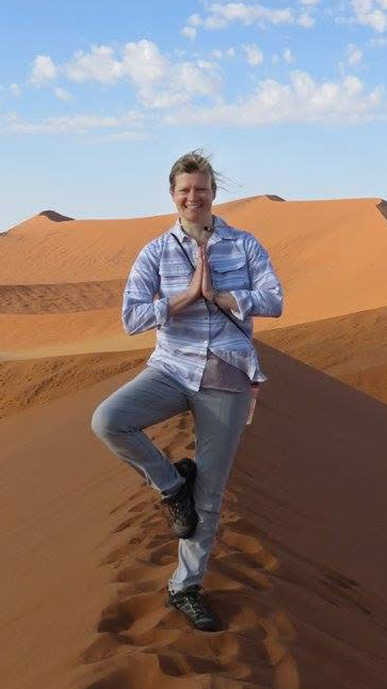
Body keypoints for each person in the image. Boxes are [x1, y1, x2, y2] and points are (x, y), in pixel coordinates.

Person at [90, 151, 284, 632]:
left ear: (213, 193)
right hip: (171, 368)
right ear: (173, 196)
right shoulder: (155, 252)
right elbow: (132, 317)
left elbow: (275, 299)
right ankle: (171, 484)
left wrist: (221, 297)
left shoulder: (243, 246)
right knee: (109, 421)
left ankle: (185, 587)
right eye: (184, 191)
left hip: (227, 375)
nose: (193, 198)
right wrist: (183, 297)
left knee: (211, 495)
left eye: (201, 190)